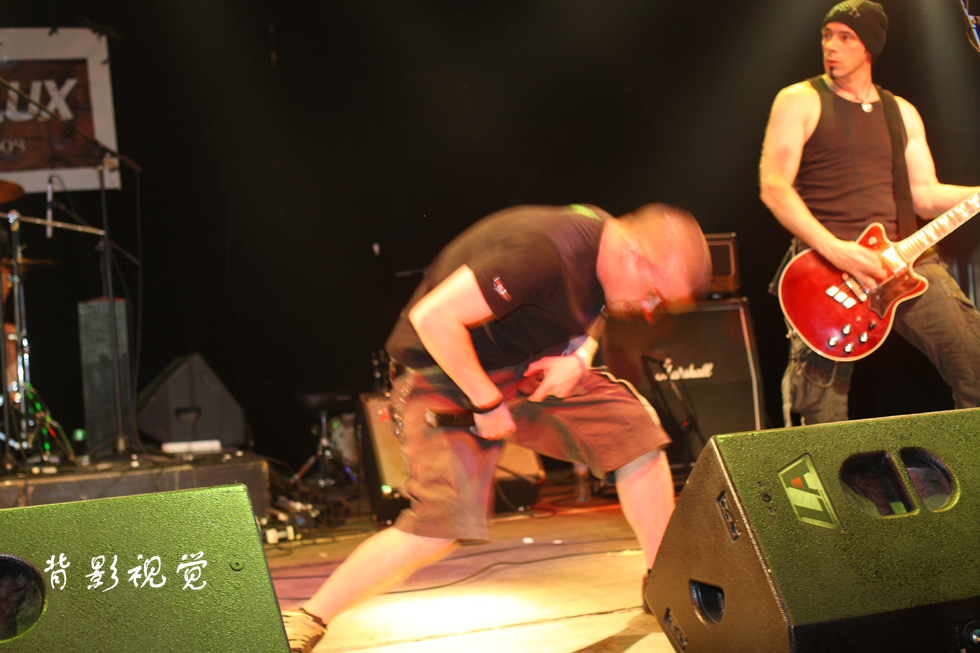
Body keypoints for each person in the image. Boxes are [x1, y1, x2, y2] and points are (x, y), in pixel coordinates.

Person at [281, 203, 711, 652]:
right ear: (633, 254)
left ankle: (661, 581)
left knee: (633, 430)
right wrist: (486, 401)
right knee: (442, 521)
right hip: (442, 371)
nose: (649, 309)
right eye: (653, 293)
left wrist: (579, 357)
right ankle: (308, 616)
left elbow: (597, 306)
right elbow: (433, 318)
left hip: (522, 368)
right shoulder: (542, 251)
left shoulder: (608, 241)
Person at [759, 0, 980, 426]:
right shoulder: (800, 100)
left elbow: (925, 195)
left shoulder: (901, 111)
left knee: (974, 361)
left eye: (846, 37)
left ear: (869, 48)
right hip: (826, 267)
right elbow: (774, 187)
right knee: (820, 409)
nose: (831, 46)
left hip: (905, 262)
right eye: (827, 35)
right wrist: (837, 251)